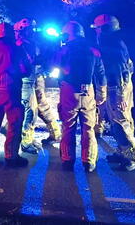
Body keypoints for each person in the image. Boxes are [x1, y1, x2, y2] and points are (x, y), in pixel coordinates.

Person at [54, 21, 107, 172]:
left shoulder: (64, 50)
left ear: (67, 34)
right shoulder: (94, 50)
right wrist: (102, 94)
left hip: (69, 91)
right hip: (88, 91)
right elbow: (101, 74)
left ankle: (67, 160)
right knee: (88, 127)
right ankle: (88, 162)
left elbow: (53, 65)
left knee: (68, 126)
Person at [92, 14, 135, 171]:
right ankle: (122, 151)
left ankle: (132, 157)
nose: (96, 31)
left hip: (117, 89)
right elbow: (129, 68)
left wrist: (120, 96)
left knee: (121, 122)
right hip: (119, 88)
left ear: (104, 29)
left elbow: (120, 72)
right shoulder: (114, 43)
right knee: (118, 121)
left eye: (98, 28)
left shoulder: (112, 46)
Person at [0, 22, 33, 167]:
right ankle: (11, 156)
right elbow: (27, 70)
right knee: (14, 123)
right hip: (12, 91)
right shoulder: (18, 49)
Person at [15, 19, 61, 153]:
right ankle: (26, 141)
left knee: (42, 106)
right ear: (22, 30)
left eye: (33, 29)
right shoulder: (19, 45)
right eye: (29, 29)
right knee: (30, 110)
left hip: (36, 77)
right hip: (27, 80)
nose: (32, 32)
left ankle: (55, 133)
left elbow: (41, 59)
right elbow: (26, 62)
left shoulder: (33, 43)